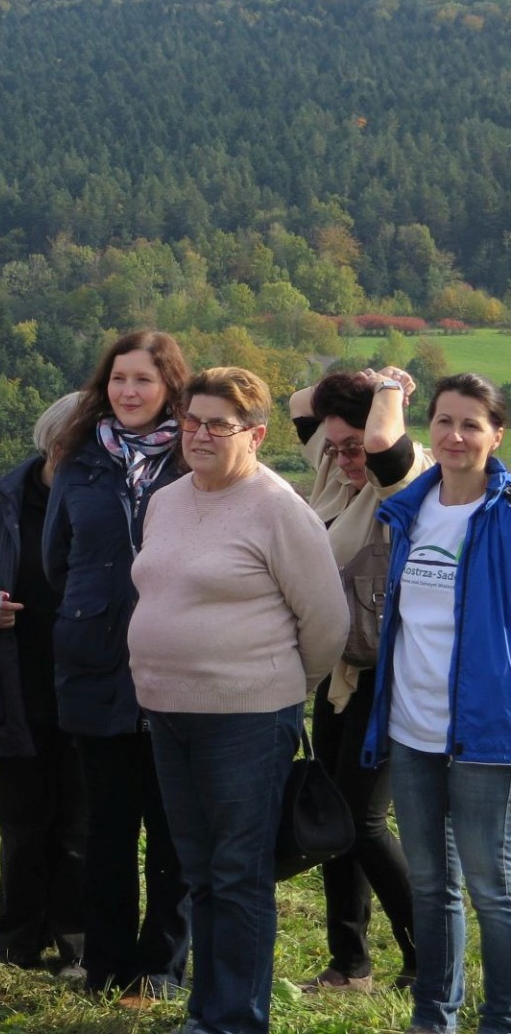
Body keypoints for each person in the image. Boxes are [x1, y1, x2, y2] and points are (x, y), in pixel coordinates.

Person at [131, 366, 347, 1034]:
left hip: (246, 720)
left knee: (238, 874)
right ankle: (208, 1011)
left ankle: (235, 1019)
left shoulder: (279, 508)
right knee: (199, 870)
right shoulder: (166, 499)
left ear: (254, 434)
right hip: (168, 713)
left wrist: (276, 690)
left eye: (216, 425)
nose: (197, 434)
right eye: (190, 421)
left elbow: (327, 622)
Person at [43, 329, 191, 1003]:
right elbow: (56, 559)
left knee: (171, 827)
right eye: (119, 379)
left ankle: (159, 970)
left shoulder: (194, 459)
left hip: (178, 667)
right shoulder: (78, 460)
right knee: (107, 826)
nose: (129, 391)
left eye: (144, 380)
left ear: (170, 390)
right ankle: (105, 966)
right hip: (96, 664)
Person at [363, 372, 511, 1034]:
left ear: (496, 435)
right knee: (430, 884)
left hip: (483, 732)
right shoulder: (411, 509)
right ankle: (434, 1015)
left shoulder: (505, 519)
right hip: (411, 727)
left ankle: (500, 1018)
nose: (455, 436)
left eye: (471, 423)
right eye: (444, 421)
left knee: (491, 889)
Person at [289, 366, 427, 995]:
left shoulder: (400, 481)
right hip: (339, 672)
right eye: (333, 444)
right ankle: (349, 964)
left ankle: (431, 953)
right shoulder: (332, 479)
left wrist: (391, 387)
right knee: (335, 818)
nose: (342, 456)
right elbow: (301, 404)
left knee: (362, 822)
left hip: (392, 676)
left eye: (351, 445)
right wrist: (355, 390)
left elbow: (380, 447)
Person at [0, 392, 87, 978]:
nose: (76, 454)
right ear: (50, 440)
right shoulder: (0, 498)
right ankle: (16, 941)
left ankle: (74, 943)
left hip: (89, 684)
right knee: (19, 822)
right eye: (70, 443)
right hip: (16, 681)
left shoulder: (104, 498)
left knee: (78, 825)